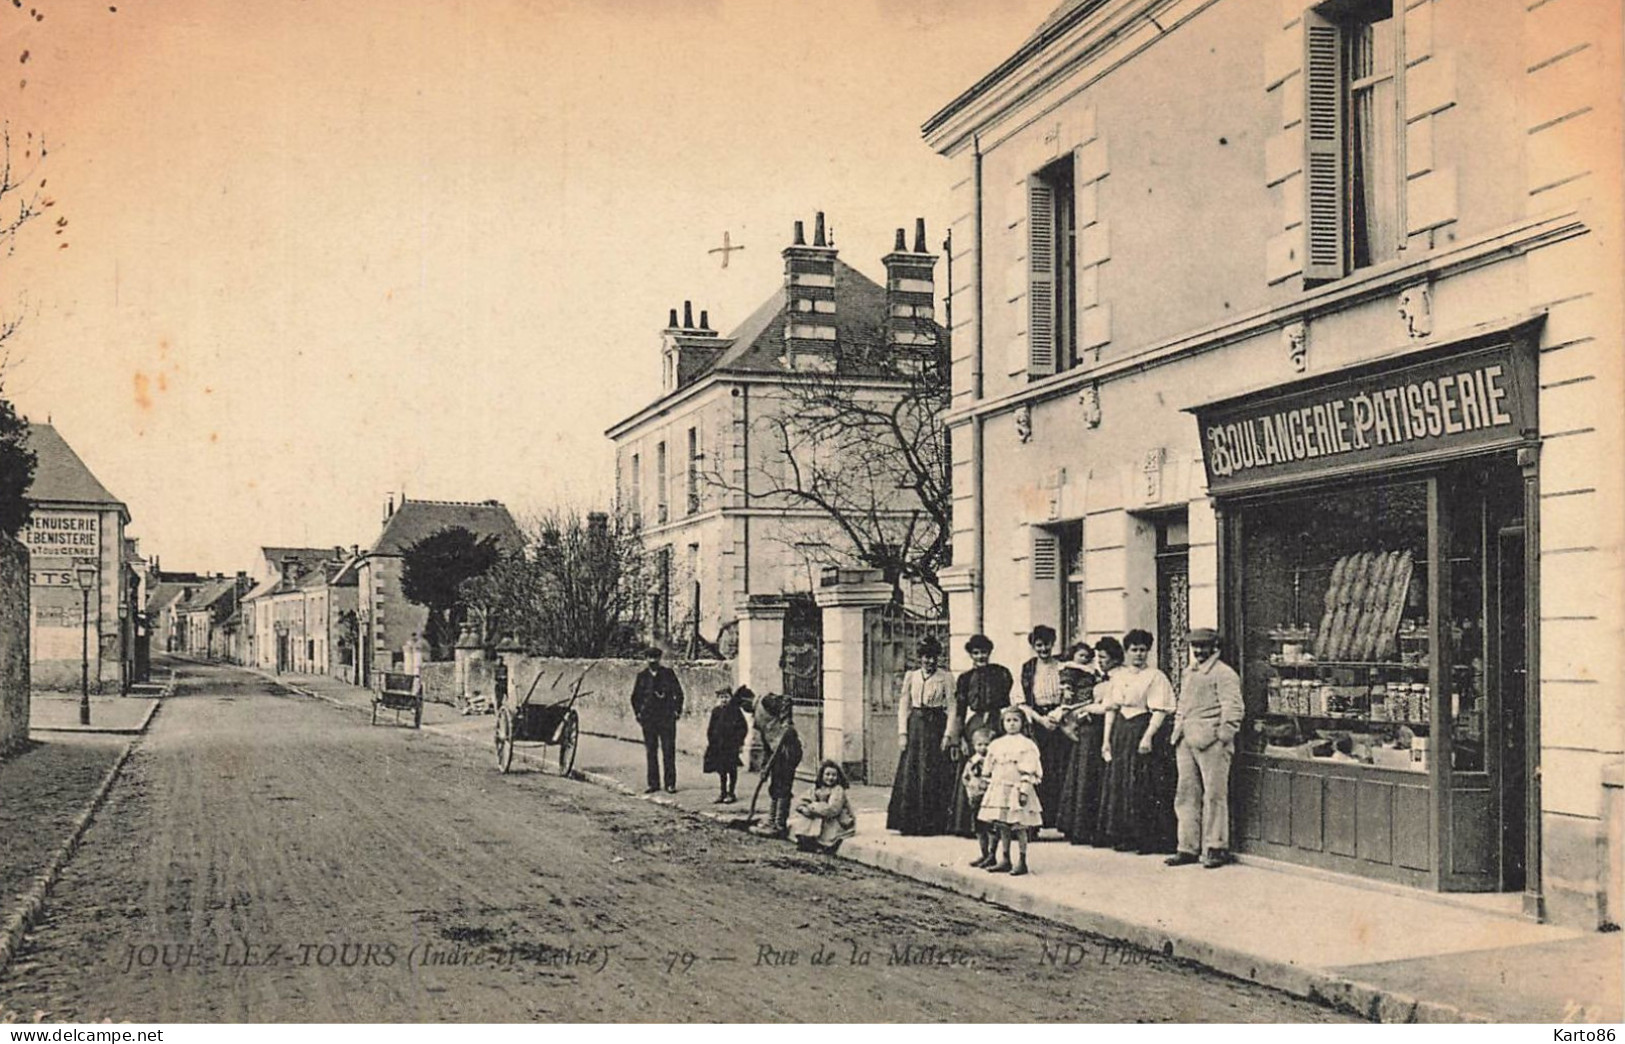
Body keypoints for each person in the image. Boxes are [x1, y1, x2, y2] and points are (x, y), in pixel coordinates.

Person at [1166, 628, 1245, 869]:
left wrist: (1223, 735)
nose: (1199, 651)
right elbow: (1183, 704)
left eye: (1204, 646)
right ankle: (1187, 847)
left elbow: (1233, 707)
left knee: (1214, 795)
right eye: (1195, 647)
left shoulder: (1224, 673)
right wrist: (1177, 731)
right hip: (1186, 740)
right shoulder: (1190, 672)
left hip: (1212, 742)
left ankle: (1215, 847)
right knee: (1186, 794)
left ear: (1214, 647)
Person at [1097, 629, 1178, 853]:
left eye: (1143, 650)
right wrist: (1106, 740)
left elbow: (1160, 710)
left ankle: (1147, 838)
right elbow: (1111, 709)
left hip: (1143, 727)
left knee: (1143, 784)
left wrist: (1148, 736)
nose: (1139, 655)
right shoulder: (1119, 677)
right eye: (1134, 650)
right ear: (1126, 651)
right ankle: (1125, 836)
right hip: (1122, 731)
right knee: (1121, 782)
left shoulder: (1155, 676)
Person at [886, 636, 957, 836]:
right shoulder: (912, 676)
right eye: (926, 657)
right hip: (916, 726)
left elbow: (952, 707)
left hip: (936, 726)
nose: (930, 661)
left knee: (934, 774)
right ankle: (908, 823)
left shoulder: (946, 677)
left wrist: (947, 735)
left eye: (933, 657)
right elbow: (903, 704)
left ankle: (932, 824)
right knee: (912, 773)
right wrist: (902, 733)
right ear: (920, 658)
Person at [947, 634, 1014, 837]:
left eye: (984, 652)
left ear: (989, 652)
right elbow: (959, 710)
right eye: (976, 653)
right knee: (972, 769)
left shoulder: (1001, 673)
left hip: (997, 722)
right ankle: (968, 824)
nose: (980, 656)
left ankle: (999, 821)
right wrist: (959, 739)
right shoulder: (965, 678)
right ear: (970, 655)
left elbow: (1008, 702)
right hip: (974, 725)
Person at [977, 706, 1043, 876]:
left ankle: (1022, 860)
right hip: (1000, 788)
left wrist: (1024, 790)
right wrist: (985, 783)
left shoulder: (1027, 745)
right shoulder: (996, 744)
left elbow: (1029, 770)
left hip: (1017, 789)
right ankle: (1005, 859)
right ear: (1003, 723)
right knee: (1002, 824)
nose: (1012, 724)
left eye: (1015, 720)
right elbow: (988, 767)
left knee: (1019, 825)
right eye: (1008, 720)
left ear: (1022, 723)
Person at [1053, 649, 1110, 845]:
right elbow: (1068, 693)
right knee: (1082, 774)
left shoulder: (1100, 676)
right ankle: (1078, 827)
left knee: (1087, 774)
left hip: (1096, 722)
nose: (1098, 661)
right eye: (1100, 657)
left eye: (1102, 657)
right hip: (1083, 720)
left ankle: (1086, 827)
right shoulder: (1073, 671)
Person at [1018, 625, 1070, 832]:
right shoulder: (1028, 668)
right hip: (1038, 724)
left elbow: (1070, 695)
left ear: (1053, 643)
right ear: (1033, 646)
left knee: (1060, 768)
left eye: (1047, 644)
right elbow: (1022, 702)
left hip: (1061, 721)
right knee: (1040, 769)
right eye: (1039, 645)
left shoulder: (1063, 666)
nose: (1043, 649)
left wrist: (1058, 716)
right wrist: (1040, 719)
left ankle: (1060, 819)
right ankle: (1040, 819)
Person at [630, 647, 685, 794]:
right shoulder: (642, 676)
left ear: (660, 659)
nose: (652, 660)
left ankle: (670, 784)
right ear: (646, 659)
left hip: (666, 718)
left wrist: (676, 711)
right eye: (650, 657)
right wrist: (638, 714)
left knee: (668, 751)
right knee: (651, 751)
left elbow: (679, 693)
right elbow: (635, 697)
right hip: (649, 719)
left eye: (655, 657)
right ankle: (653, 784)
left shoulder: (668, 674)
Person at [750, 692, 804, 839]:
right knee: (774, 786)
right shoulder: (757, 718)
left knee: (783, 787)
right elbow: (767, 744)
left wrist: (787, 721)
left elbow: (787, 699)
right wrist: (764, 767)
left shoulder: (766, 701)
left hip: (788, 750)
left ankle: (780, 825)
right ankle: (771, 822)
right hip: (776, 753)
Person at [789, 760, 857, 854]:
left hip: (837, 820)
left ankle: (820, 844)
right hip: (820, 815)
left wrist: (813, 807)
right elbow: (801, 801)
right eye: (827, 774)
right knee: (806, 819)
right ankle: (807, 840)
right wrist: (803, 809)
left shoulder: (838, 790)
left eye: (834, 775)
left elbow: (832, 809)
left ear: (838, 777)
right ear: (822, 775)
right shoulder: (817, 788)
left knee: (825, 830)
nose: (830, 778)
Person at [703, 686, 750, 804]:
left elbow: (743, 727)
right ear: (718, 699)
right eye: (721, 697)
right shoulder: (716, 711)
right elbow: (711, 728)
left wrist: (739, 742)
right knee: (721, 770)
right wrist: (711, 742)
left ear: (730, 698)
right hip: (719, 746)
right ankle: (722, 792)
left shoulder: (735, 711)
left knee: (732, 769)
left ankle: (731, 793)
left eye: (726, 697)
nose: (724, 700)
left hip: (731, 746)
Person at [962, 728, 997, 867]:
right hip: (976, 796)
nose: (983, 747)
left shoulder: (994, 761)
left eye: (986, 744)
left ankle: (992, 854)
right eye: (979, 744)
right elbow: (966, 777)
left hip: (990, 797)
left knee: (991, 828)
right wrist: (970, 790)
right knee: (979, 828)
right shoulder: (972, 760)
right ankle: (984, 854)